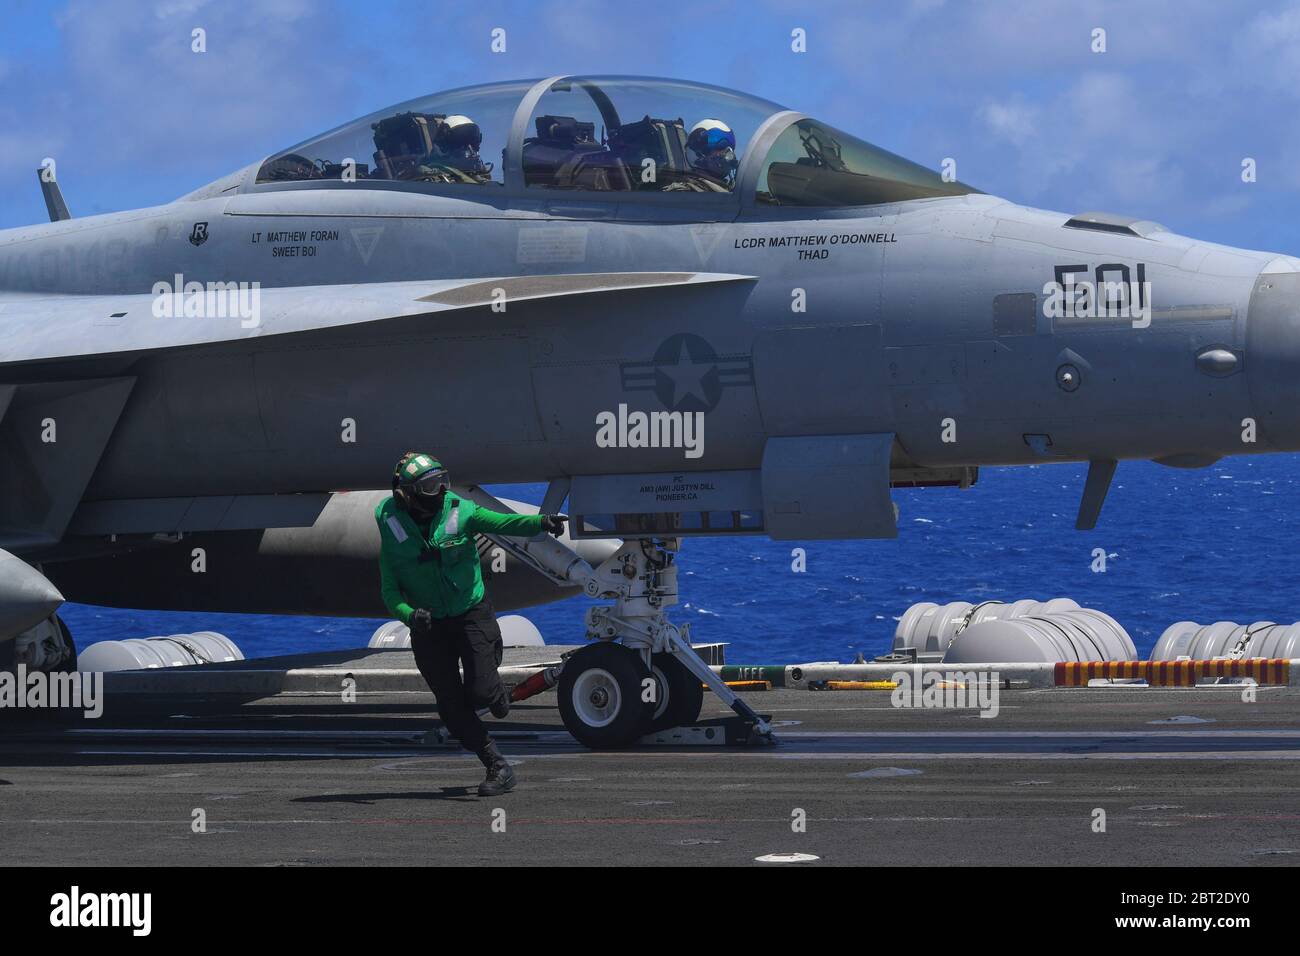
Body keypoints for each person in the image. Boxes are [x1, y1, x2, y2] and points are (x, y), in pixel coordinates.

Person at [376, 453, 567, 795]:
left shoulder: (458, 510)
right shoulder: (389, 522)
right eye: (430, 486)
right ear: (406, 493)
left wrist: (541, 523)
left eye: (442, 482)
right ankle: (497, 765)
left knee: (480, 692)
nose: (440, 491)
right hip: (429, 625)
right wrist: (409, 615)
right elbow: (389, 589)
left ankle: (496, 695)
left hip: (470, 612)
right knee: (451, 707)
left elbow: (502, 523)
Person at [686, 118, 739, 188]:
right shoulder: (685, 191)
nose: (726, 152)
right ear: (699, 152)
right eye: (718, 148)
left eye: (727, 147)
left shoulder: (730, 192)